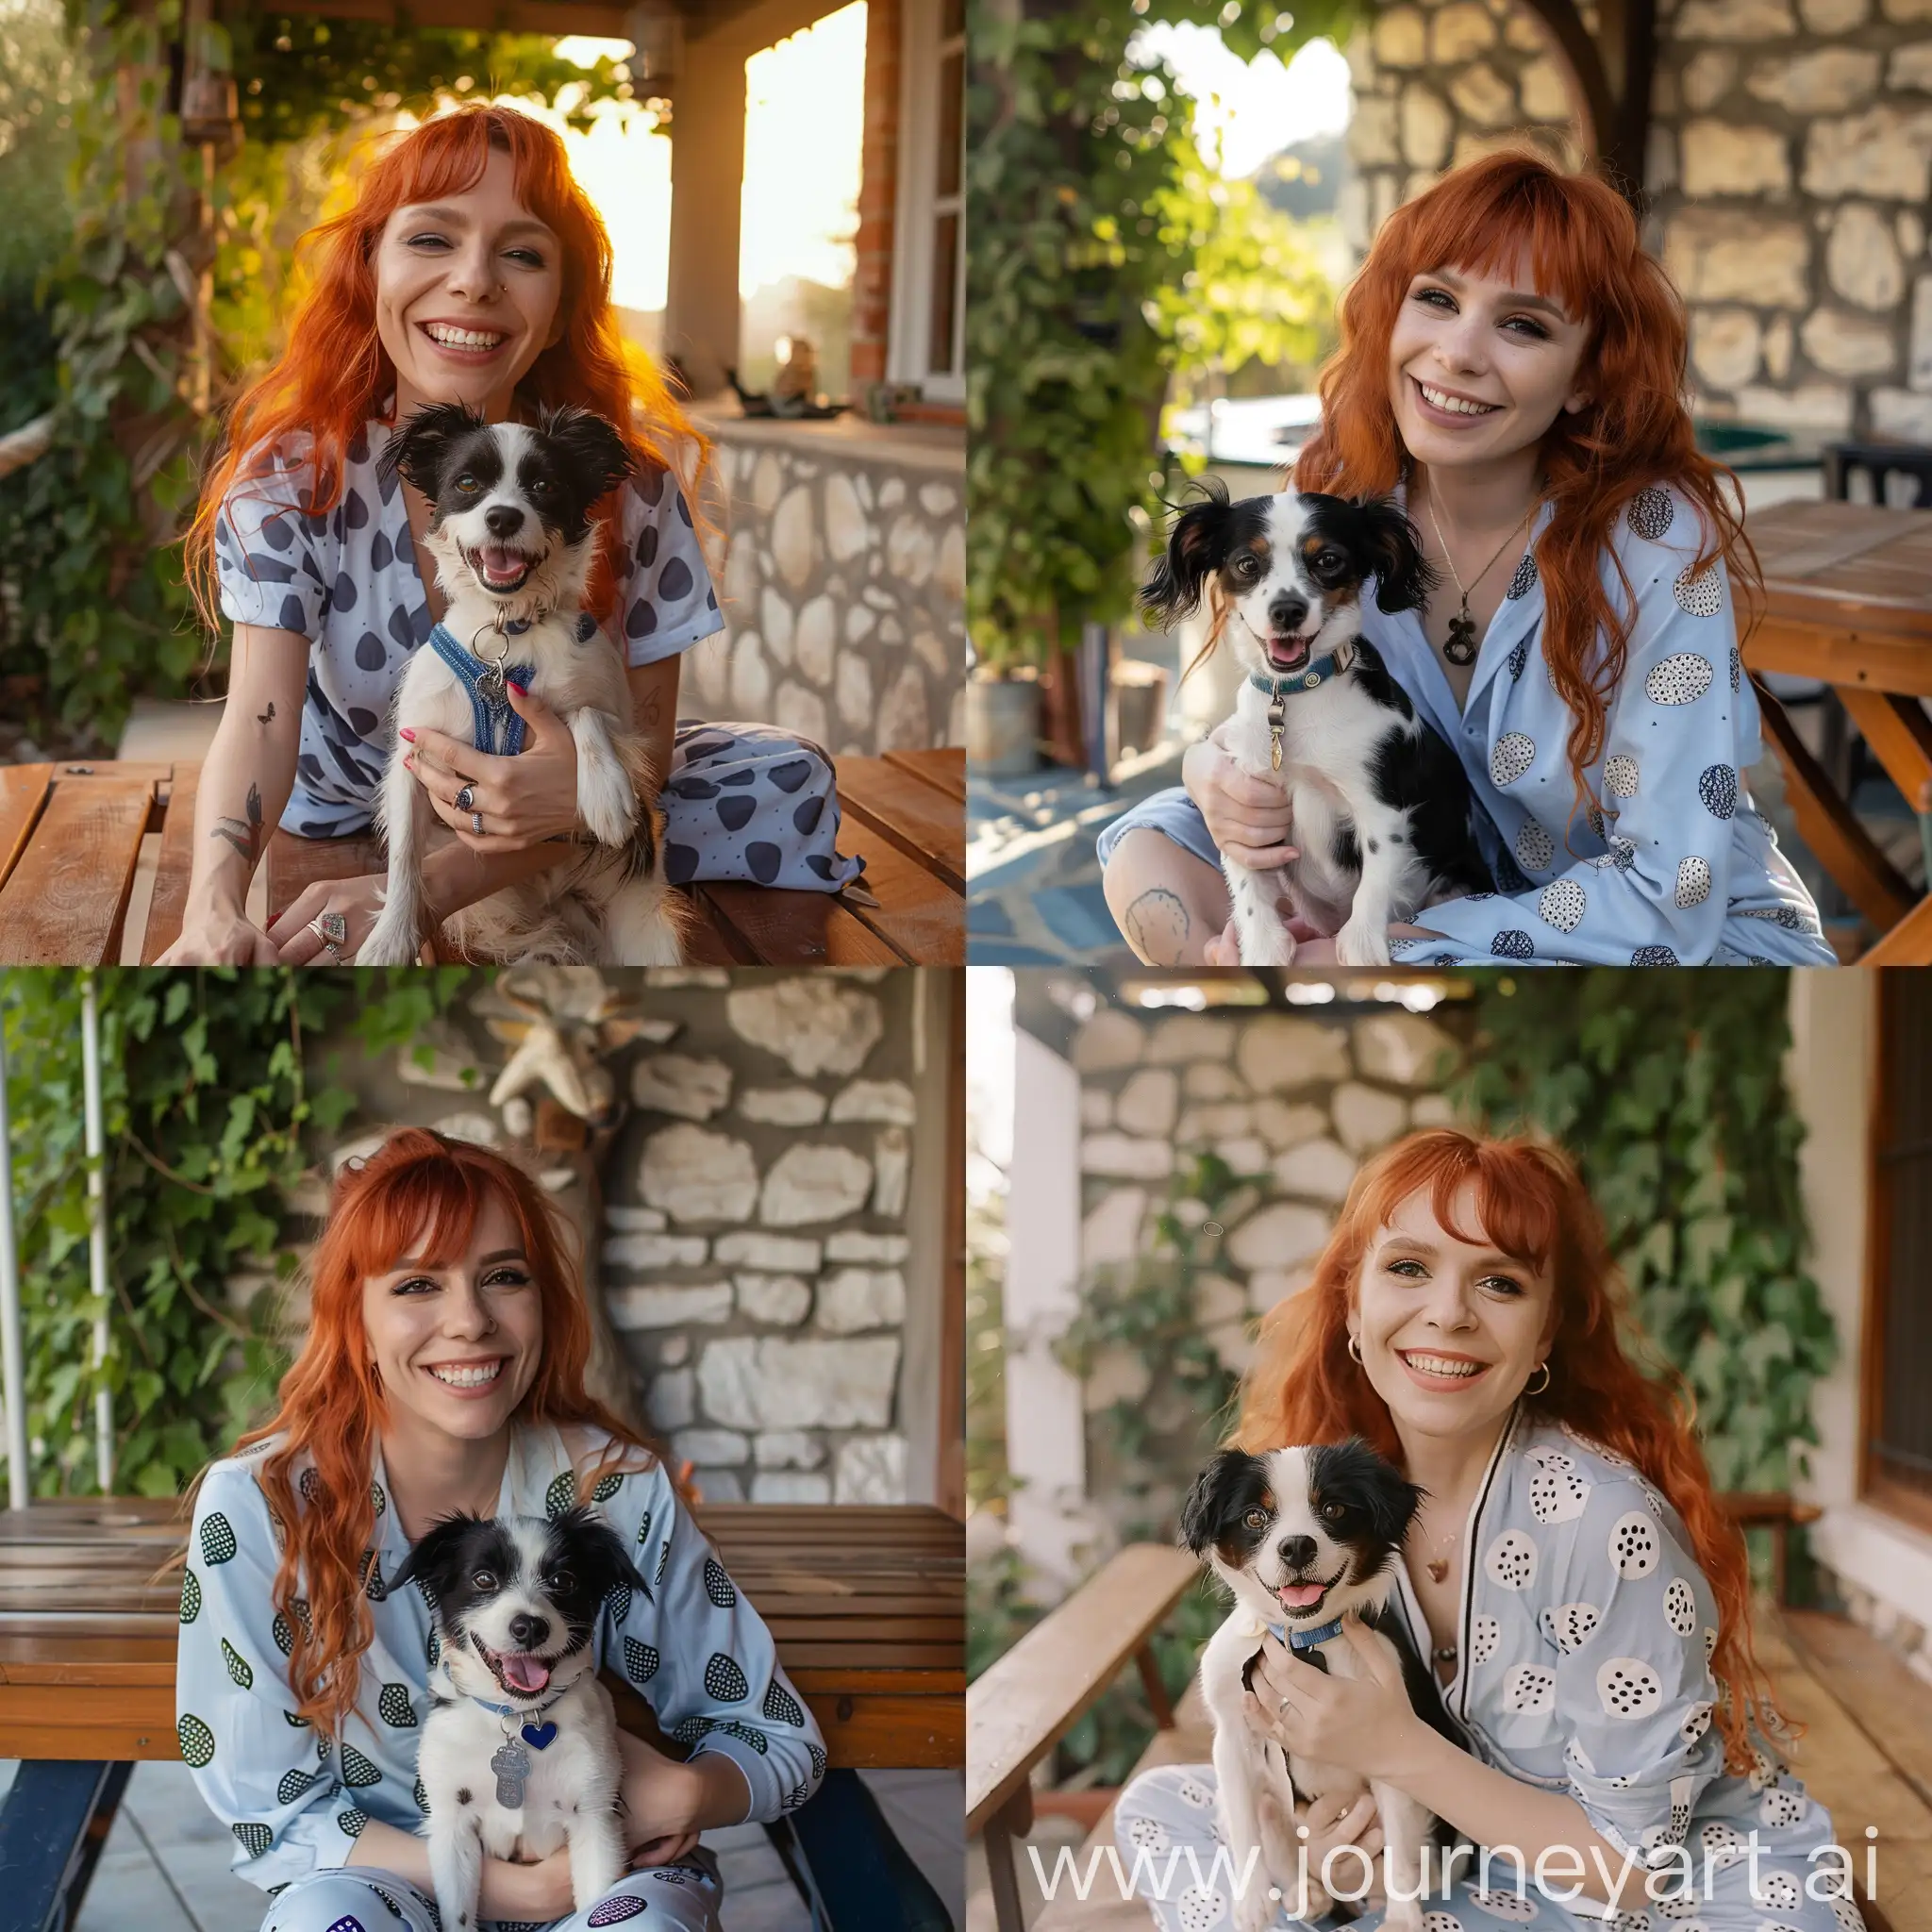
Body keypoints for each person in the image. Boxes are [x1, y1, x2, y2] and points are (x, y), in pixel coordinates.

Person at [1100, 150, 1832, 968]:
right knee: (1145, 855)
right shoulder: (1347, 504)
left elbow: (1673, 890)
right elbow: (1290, 715)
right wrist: (1211, 771)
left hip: (1650, 930)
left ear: (1588, 376)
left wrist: (1366, 955)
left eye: (1522, 324)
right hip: (1441, 875)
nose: (1456, 353)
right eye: (1438, 299)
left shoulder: (1655, 540)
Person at [1114, 1128, 1857, 1932]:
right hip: (1468, 1857)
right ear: (1353, 1309)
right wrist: (1329, 1829)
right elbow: (1319, 1768)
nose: (1448, 1313)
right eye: (1408, 1268)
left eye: (1499, 1283)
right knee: (1164, 1811)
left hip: (1663, 1889)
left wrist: (1394, 1753)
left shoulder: (1605, 1524)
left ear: (1543, 1336)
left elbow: (1633, 1871)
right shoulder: (1346, 1503)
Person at [165, 106, 858, 966]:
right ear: (369, 266)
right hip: (360, 805)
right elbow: (262, 719)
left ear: (563, 305)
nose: (474, 280)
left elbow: (643, 759)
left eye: (522, 253)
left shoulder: (632, 488)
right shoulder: (295, 477)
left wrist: (429, 888)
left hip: (569, 807)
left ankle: (504, 872)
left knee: (791, 774)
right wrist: (212, 909)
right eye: (431, 239)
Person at [174, 1128, 824, 1931]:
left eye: (504, 1277)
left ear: (543, 1299)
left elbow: (782, 1739)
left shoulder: (614, 1489)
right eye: (417, 1285)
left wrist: (688, 1791)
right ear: (354, 1315)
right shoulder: (261, 1508)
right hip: (381, 1877)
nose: (470, 1321)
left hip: (600, 1862)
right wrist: (503, 1890)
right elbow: (265, 1813)